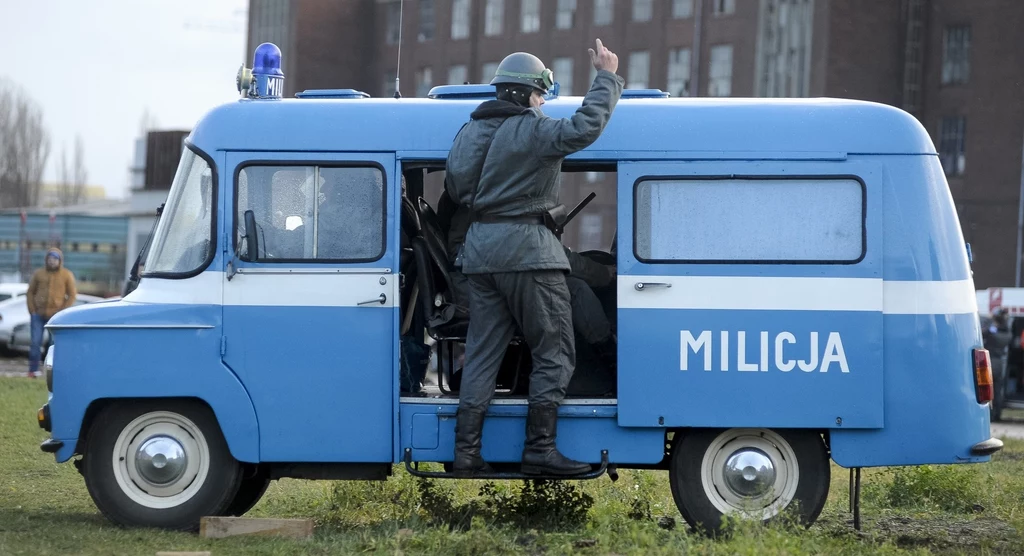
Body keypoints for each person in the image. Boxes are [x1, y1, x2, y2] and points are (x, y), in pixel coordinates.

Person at [445, 39, 624, 477]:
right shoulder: (533, 128)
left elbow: (454, 190)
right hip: (529, 254)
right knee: (555, 352)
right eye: (541, 94)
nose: (542, 102)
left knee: (483, 353)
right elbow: (584, 127)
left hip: (481, 255)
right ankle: (540, 449)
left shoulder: (467, 133)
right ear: (526, 94)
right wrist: (606, 78)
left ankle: (466, 454)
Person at [26, 248, 77, 377]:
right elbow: (30, 292)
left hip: (55, 317)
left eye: (55, 259)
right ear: (46, 260)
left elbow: (71, 295)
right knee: (35, 342)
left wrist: (62, 312)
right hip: (38, 314)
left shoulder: (66, 275)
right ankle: (33, 370)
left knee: (53, 344)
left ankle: (52, 372)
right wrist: (32, 310)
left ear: (60, 261)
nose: (52, 261)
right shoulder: (39, 274)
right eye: (50, 258)